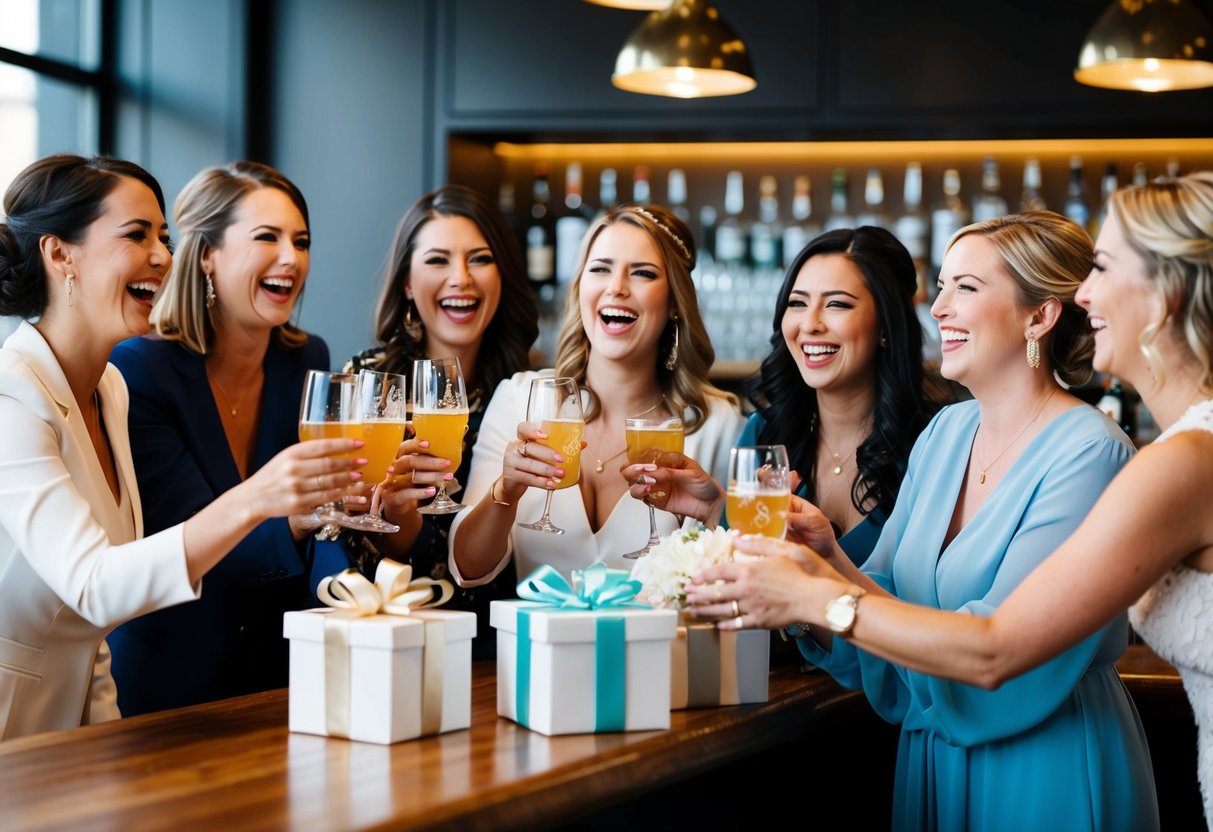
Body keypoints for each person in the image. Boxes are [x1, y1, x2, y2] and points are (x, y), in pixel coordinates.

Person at [688, 211, 1161, 831]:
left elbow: (1000, 655)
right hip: (932, 765)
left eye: (965, 288)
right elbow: (881, 641)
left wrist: (818, 593)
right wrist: (827, 558)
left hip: (1045, 767)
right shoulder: (945, 434)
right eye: (940, 287)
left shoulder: (1089, 454)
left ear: (1039, 316)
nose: (938, 309)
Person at [0, 154, 360, 740]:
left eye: (164, 236)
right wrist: (257, 499)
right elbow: (93, 585)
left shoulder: (107, 387)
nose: (165, 257)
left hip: (76, 736)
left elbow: (95, 633)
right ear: (60, 253)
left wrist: (109, 743)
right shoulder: (10, 395)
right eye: (137, 234)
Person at [106, 161, 341, 714]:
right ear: (207, 253)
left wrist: (346, 589)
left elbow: (326, 513)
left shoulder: (309, 359)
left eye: (301, 241)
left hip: (280, 674)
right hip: (170, 682)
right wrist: (300, 517)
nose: (291, 258)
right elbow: (185, 541)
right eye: (268, 237)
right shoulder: (140, 369)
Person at [449, 203, 745, 584]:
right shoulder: (520, 398)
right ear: (580, 288)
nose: (616, 287)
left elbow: (741, 587)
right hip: (534, 645)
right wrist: (505, 491)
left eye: (642, 273)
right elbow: (468, 567)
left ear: (674, 303)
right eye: (600, 269)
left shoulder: (717, 426)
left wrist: (714, 512)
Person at [309, 184, 538, 656]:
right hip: (386, 640)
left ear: (503, 276)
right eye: (438, 260)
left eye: (480, 259)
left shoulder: (525, 393)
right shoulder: (368, 381)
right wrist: (393, 511)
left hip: (497, 645)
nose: (461, 278)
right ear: (408, 283)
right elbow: (349, 537)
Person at [625, 227, 940, 566]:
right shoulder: (765, 433)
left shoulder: (934, 447)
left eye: (836, 304)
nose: (810, 324)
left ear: (885, 325)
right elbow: (740, 580)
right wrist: (715, 507)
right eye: (797, 303)